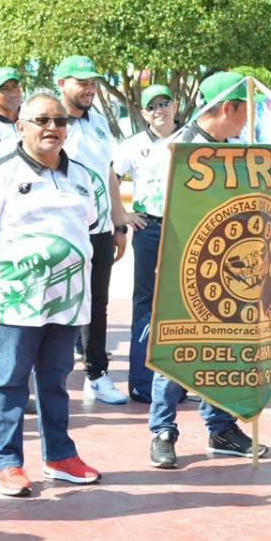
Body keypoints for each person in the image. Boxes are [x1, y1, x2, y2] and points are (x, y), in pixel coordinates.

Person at [0, 91, 102, 496]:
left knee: (56, 380)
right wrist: (1, 274)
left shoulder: (83, 176)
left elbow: (85, 228)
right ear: (21, 127)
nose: (52, 128)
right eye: (42, 120)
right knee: (9, 380)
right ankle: (6, 463)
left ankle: (59, 457)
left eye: (59, 121)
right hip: (19, 302)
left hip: (69, 300)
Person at [148, 72, 268, 467]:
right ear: (226, 108)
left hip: (232, 268)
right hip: (183, 262)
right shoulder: (177, 150)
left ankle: (221, 428)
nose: (248, 118)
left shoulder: (240, 148)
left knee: (227, 347)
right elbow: (159, 208)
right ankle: (162, 431)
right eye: (244, 109)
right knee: (176, 346)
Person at [54, 55, 138, 405]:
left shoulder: (100, 122)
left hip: (100, 229)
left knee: (96, 305)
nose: (88, 88)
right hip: (63, 231)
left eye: (92, 83)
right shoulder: (51, 123)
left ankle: (96, 374)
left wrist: (118, 224)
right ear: (61, 84)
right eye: (80, 82)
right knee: (59, 305)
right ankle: (52, 374)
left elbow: (109, 175)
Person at [112, 84, 186, 413]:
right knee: (146, 304)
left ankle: (181, 382)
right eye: (152, 106)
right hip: (149, 228)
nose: (159, 110)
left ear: (175, 105)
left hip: (185, 227)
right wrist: (122, 215)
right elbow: (110, 176)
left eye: (164, 103)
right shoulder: (133, 145)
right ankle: (142, 383)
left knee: (183, 304)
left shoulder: (190, 139)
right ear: (143, 113)